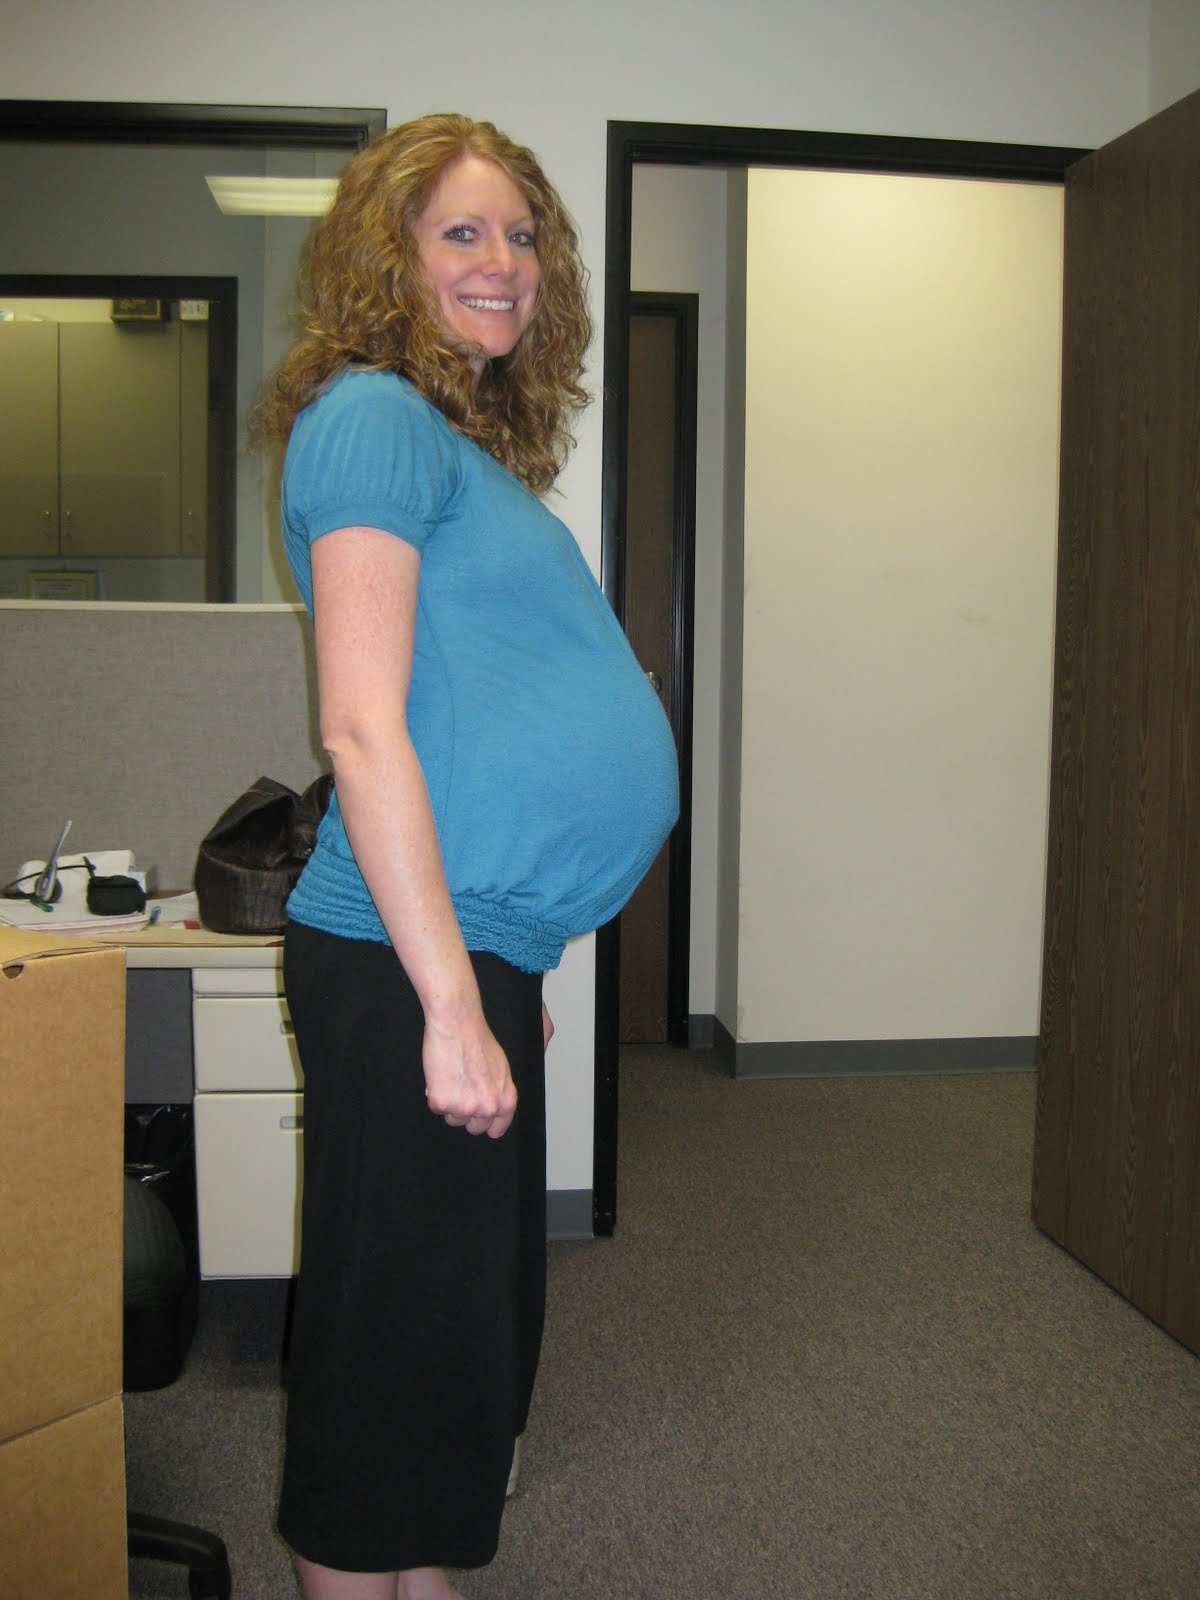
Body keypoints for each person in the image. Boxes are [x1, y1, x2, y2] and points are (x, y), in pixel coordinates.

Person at [251, 114, 679, 1600]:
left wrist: (498, 959)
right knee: (389, 1353)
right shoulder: (371, 414)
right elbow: (363, 730)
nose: (505, 261)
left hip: (465, 943)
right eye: (462, 231)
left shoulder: (456, 445)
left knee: (452, 1347)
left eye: (523, 234)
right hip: (400, 960)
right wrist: (444, 994)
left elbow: (467, 714)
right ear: (391, 255)